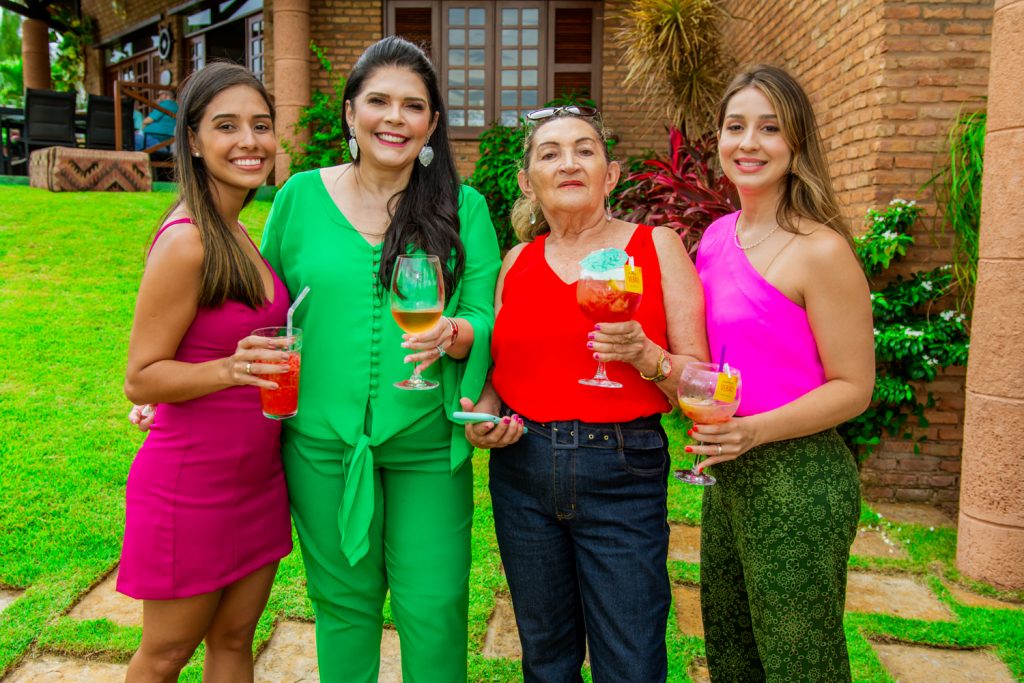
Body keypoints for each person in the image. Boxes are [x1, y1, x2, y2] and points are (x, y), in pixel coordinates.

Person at [259, 36, 500, 682]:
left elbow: (485, 311)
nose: (395, 117)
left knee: (435, 605)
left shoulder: (465, 208)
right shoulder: (297, 200)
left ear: (432, 124)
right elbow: (257, 305)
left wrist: (457, 334)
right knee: (342, 606)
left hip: (427, 441)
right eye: (379, 101)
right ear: (349, 113)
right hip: (321, 444)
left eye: (413, 106)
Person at [459, 105, 709, 682]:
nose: (568, 163)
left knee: (632, 661)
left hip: (622, 470)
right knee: (546, 659)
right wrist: (486, 417)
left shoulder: (656, 245)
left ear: (611, 173)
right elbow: (503, 370)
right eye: (549, 153)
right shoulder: (516, 261)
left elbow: (698, 380)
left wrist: (648, 356)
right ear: (528, 181)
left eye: (584, 150)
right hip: (522, 470)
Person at [688, 64, 875, 681]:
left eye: (770, 128)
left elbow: (854, 388)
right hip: (727, 472)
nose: (749, 143)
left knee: (800, 662)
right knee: (733, 655)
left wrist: (756, 430)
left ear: (796, 146)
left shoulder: (820, 250)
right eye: (735, 126)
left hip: (800, 476)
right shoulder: (715, 238)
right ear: (717, 140)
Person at [119, 62, 292, 682]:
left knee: (234, 641)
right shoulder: (187, 240)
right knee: (165, 655)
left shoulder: (240, 232)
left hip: (258, 480)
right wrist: (229, 369)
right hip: (191, 486)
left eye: (261, 125)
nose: (250, 141)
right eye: (227, 126)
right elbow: (141, 378)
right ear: (193, 140)